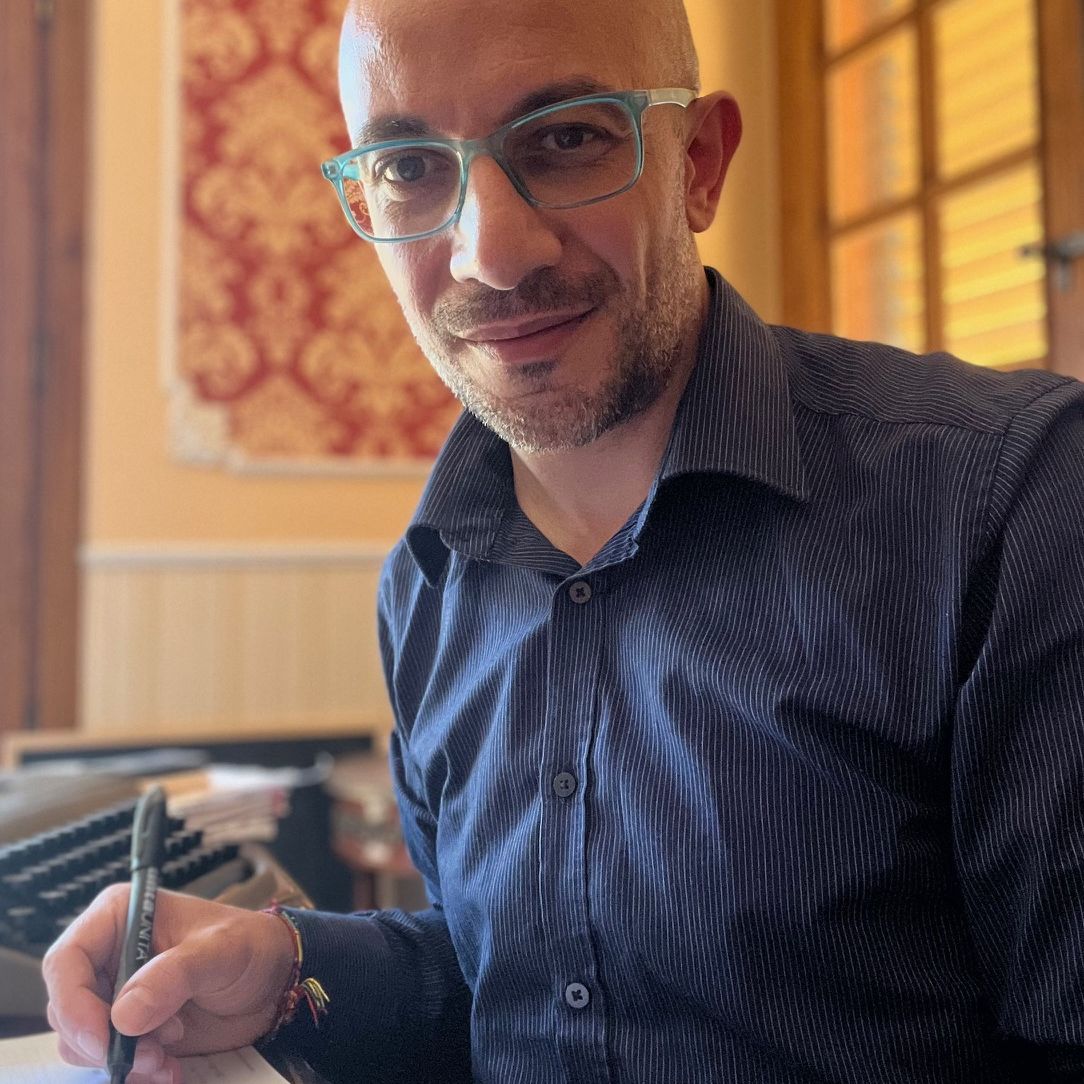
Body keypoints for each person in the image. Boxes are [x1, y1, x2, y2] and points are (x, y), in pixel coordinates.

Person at [43, 0, 1084, 1080]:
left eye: (567, 137)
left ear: (698, 164)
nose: (489, 253)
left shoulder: (1008, 501)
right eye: (409, 167)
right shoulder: (429, 581)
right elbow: (515, 982)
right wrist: (287, 968)